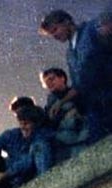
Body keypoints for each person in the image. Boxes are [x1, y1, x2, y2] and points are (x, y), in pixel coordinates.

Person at [39, 10, 112, 143]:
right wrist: (61, 102)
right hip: (96, 108)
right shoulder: (70, 54)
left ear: (67, 22)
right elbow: (79, 83)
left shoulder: (91, 30)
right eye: (51, 34)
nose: (54, 35)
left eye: (55, 29)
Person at [41, 67, 90, 159]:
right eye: (46, 82)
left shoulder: (78, 93)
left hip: (82, 132)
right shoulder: (50, 105)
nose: (49, 84)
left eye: (52, 79)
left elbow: (78, 93)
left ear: (62, 78)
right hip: (64, 137)